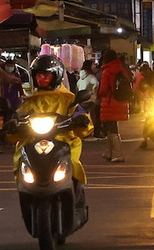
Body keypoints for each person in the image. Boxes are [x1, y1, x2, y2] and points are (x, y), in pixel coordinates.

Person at [9, 55, 93, 185]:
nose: (41, 78)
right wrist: (11, 125)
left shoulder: (68, 100)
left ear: (57, 76)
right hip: (32, 144)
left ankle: (77, 195)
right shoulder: (29, 103)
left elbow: (83, 121)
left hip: (63, 143)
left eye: (46, 75)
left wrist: (82, 120)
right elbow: (17, 119)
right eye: (38, 75)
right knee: (21, 160)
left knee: (73, 166)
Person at [97, 49, 130, 163]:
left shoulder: (106, 71)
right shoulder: (121, 69)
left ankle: (118, 154)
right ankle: (109, 152)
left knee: (111, 128)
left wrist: (99, 93)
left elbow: (103, 90)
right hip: (120, 101)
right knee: (111, 127)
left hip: (110, 102)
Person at [76, 60, 102, 139]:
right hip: (90, 100)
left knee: (83, 117)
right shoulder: (91, 77)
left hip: (81, 100)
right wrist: (93, 93)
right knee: (92, 117)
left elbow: (77, 88)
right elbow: (96, 85)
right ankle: (91, 132)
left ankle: (83, 132)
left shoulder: (80, 77)